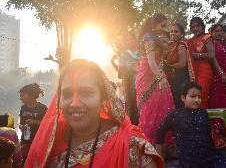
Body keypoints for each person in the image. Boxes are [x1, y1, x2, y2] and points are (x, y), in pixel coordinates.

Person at [25, 59, 164, 168]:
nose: (74, 103)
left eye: (86, 93)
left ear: (103, 98)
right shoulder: (48, 145)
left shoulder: (132, 145)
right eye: (66, 94)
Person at [156, 82, 226, 168]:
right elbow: (159, 134)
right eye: (192, 96)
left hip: (211, 158)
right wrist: (160, 161)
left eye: (199, 97)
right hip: (190, 162)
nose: (197, 100)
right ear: (183, 98)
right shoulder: (174, 115)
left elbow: (208, 137)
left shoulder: (203, 113)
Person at [136, 13, 175, 144]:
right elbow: (151, 61)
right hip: (149, 75)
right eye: (162, 25)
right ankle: (149, 144)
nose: (165, 29)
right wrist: (161, 79)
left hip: (156, 74)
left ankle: (162, 144)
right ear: (153, 25)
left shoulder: (154, 37)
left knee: (162, 107)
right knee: (150, 108)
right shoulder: (149, 38)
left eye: (166, 26)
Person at [111, 32, 140, 125]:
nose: (130, 41)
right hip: (130, 84)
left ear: (135, 40)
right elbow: (120, 72)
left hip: (143, 82)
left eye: (131, 39)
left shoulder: (142, 52)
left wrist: (138, 67)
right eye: (127, 40)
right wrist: (131, 68)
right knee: (132, 106)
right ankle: (134, 127)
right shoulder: (124, 55)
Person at [186, 17, 214, 109]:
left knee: (201, 95)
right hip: (192, 71)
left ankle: (202, 119)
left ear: (202, 27)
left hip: (204, 71)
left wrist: (197, 55)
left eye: (198, 26)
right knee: (193, 96)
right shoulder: (189, 41)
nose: (195, 28)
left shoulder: (207, 37)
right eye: (193, 27)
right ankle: (194, 120)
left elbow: (211, 55)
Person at [209, 24, 226, 147]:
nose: (219, 33)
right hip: (217, 77)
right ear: (211, 32)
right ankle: (217, 134)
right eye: (216, 31)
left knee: (225, 102)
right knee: (217, 102)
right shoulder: (212, 43)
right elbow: (213, 60)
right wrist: (221, 74)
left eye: (221, 30)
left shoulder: (224, 44)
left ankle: (225, 132)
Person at [19, 83, 47, 162]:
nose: (21, 98)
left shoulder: (42, 108)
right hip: (25, 139)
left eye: (23, 95)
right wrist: (21, 126)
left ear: (31, 95)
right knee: (25, 160)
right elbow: (21, 122)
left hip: (38, 140)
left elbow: (49, 124)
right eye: (20, 96)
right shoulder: (23, 108)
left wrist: (35, 122)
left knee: (37, 160)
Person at [164, 22, 189, 108]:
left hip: (180, 78)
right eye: (171, 31)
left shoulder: (181, 45)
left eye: (176, 31)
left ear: (182, 33)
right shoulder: (171, 44)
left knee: (179, 102)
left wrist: (168, 66)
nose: (173, 33)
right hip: (172, 78)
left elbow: (182, 64)